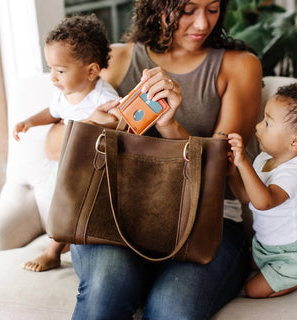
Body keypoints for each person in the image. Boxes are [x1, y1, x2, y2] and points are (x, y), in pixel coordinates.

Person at [44, 0, 263, 318]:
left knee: (173, 309)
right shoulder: (115, 59)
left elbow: (223, 168)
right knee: (106, 291)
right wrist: (93, 125)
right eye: (188, 10)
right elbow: (51, 146)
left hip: (205, 221)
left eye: (213, 9)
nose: (203, 23)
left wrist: (169, 126)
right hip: (114, 215)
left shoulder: (239, 65)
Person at [12, 14, 119, 272]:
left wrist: (104, 121)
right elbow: (53, 112)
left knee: (68, 205)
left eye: (60, 70)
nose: (53, 77)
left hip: (90, 171)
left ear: (92, 70)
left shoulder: (103, 97)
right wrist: (29, 122)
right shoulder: (64, 92)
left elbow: (118, 125)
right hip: (65, 167)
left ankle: (51, 252)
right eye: (51, 69)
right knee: (56, 202)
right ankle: (65, 238)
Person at [227, 82, 297, 298]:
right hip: (267, 245)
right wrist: (232, 173)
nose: (258, 126)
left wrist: (242, 163)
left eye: (268, 123)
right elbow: (245, 197)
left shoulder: (296, 171)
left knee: (253, 291)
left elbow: (264, 202)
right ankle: (274, 265)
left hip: (294, 251)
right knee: (244, 265)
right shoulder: (264, 158)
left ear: (295, 142)